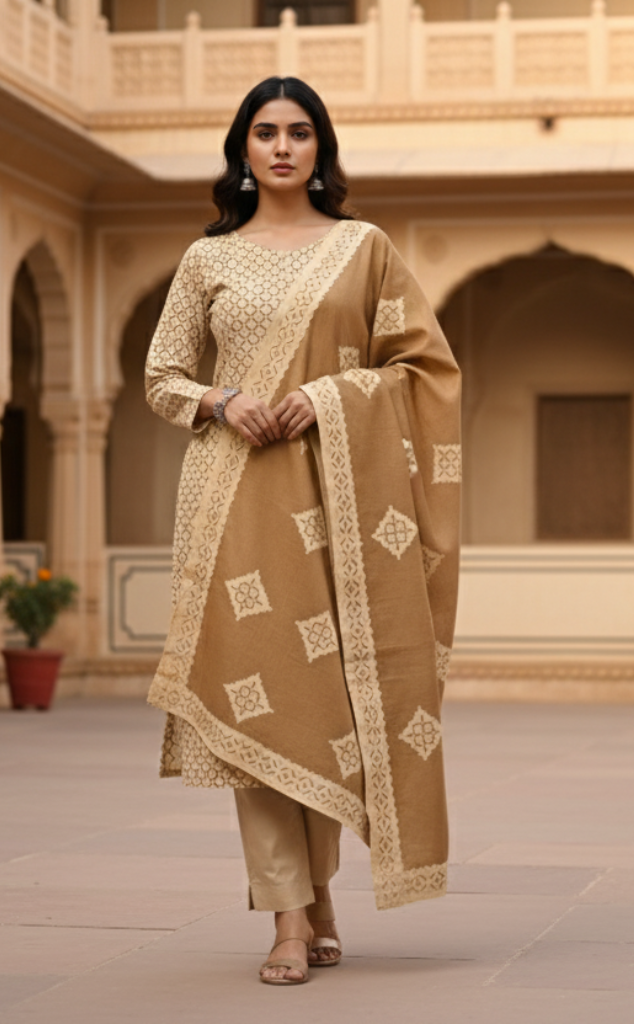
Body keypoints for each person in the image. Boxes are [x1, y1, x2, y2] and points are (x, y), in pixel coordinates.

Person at [144, 76, 461, 986]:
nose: (282, 147)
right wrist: (223, 397)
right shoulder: (207, 260)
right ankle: (288, 919)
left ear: (321, 148)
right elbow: (164, 375)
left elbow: (425, 368)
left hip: (341, 504)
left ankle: (316, 897)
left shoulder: (365, 248)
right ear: (241, 150)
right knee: (260, 693)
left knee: (323, 705)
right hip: (231, 499)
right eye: (264, 132)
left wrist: (326, 397)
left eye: (300, 133)